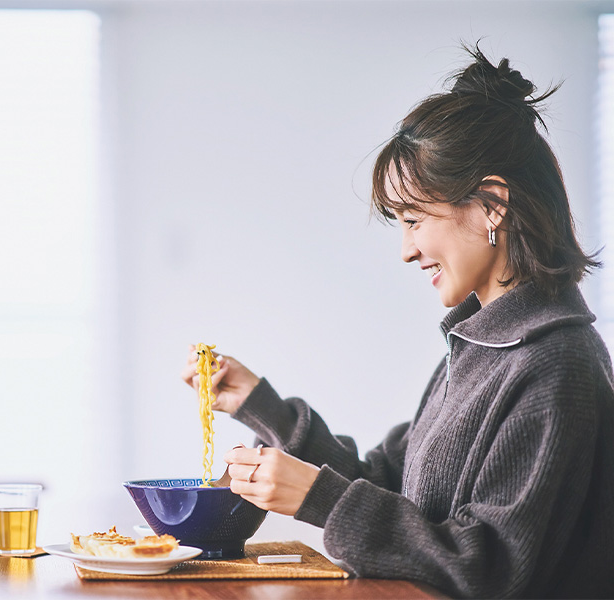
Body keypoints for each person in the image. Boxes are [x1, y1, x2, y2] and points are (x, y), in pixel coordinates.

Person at [181, 46, 614, 599]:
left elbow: (491, 568)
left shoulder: (556, 365)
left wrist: (322, 500)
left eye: (413, 219)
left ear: (493, 205)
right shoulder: (482, 343)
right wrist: (256, 403)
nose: (406, 250)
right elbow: (388, 483)